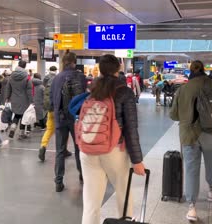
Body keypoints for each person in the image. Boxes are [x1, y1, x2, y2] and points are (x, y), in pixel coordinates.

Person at [80, 54, 146, 224]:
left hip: (88, 149)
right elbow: (131, 128)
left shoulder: (92, 89)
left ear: (100, 69)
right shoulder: (124, 91)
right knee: (123, 196)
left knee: (91, 204)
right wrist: (137, 160)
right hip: (114, 150)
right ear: (118, 69)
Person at [170, 60, 212, 222]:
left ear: (190, 71)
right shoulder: (211, 85)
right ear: (203, 70)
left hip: (189, 135)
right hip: (211, 132)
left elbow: (173, 115)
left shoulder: (183, 89)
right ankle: (211, 189)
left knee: (191, 169)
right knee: (211, 161)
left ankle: (192, 208)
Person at [50, 51, 85, 192]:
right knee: (79, 149)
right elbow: (83, 97)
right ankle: (83, 175)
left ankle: (58, 181)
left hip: (60, 118)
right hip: (76, 118)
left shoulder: (57, 78)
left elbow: (52, 100)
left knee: (60, 150)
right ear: (73, 62)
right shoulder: (80, 77)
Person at [38, 66, 72, 162]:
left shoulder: (48, 79)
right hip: (59, 109)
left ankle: (43, 146)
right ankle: (63, 150)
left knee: (49, 129)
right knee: (64, 130)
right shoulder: (63, 80)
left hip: (50, 108)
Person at [5, 60, 34, 140]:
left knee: (17, 114)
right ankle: (21, 133)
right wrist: (31, 101)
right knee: (24, 116)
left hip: (14, 99)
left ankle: (13, 128)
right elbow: (29, 90)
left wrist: (7, 97)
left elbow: (8, 88)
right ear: (25, 66)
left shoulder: (11, 76)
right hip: (25, 99)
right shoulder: (27, 77)